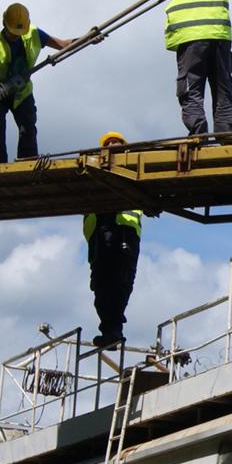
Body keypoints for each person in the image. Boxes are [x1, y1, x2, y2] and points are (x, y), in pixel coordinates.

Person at [153, 0, 232, 136]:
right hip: (219, 36)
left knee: (192, 88)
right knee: (222, 88)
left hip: (190, 39)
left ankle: (198, 135)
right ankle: (226, 134)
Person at [0, 3, 76, 164]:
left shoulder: (33, 33)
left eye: (19, 33)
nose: (16, 36)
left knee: (28, 128)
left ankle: (27, 164)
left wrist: (88, 37)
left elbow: (63, 44)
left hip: (21, 91)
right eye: (13, 33)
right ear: (5, 25)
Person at [84, 132, 143, 347]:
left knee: (120, 282)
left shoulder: (133, 168)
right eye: (108, 145)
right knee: (100, 286)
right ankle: (110, 329)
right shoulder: (91, 170)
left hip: (123, 232)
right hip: (99, 233)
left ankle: (113, 329)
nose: (112, 147)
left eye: (116, 144)